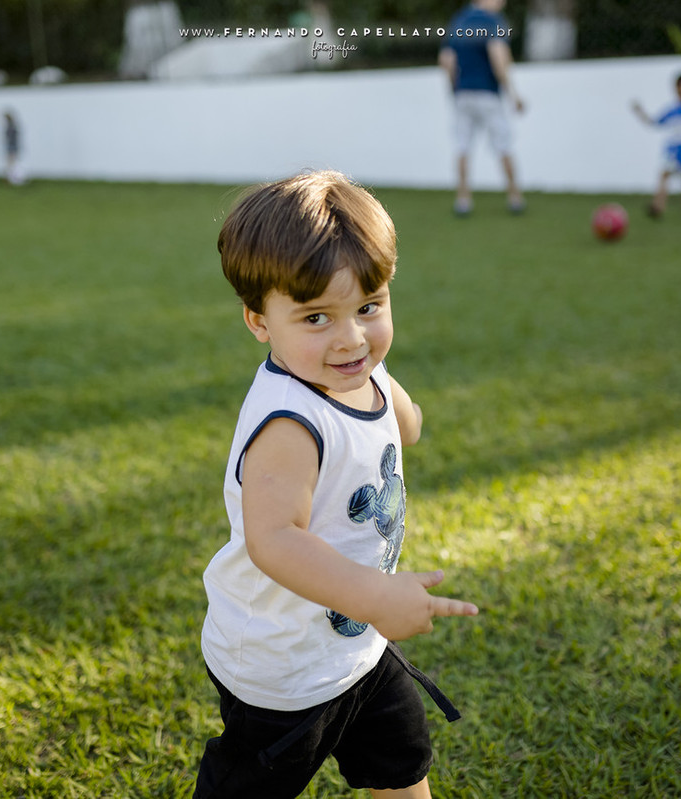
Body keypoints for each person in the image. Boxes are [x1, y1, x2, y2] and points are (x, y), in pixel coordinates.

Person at [194, 170, 479, 799]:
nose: (351, 337)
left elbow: (406, 427)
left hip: (358, 653)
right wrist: (374, 598)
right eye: (317, 316)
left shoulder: (353, 369)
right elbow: (274, 540)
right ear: (259, 321)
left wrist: (377, 378)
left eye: (369, 307)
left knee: (402, 768)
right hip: (281, 668)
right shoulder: (289, 424)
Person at [438, 0, 526, 217]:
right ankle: (515, 197)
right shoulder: (493, 22)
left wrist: (455, 89)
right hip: (488, 93)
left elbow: (446, 60)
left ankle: (463, 200)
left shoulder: (458, 21)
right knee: (503, 143)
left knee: (462, 146)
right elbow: (498, 57)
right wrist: (513, 94)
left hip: (463, 95)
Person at [632, 72, 681, 219]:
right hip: (674, 148)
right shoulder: (672, 110)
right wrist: (640, 112)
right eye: (679, 86)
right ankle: (658, 207)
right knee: (664, 174)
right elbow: (654, 122)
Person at [2, 109, 24, 185]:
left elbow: (12, 138)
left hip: (12, 147)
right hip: (12, 147)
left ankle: (14, 179)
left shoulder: (11, 127)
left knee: (12, 164)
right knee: (12, 164)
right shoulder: (13, 126)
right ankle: (13, 179)